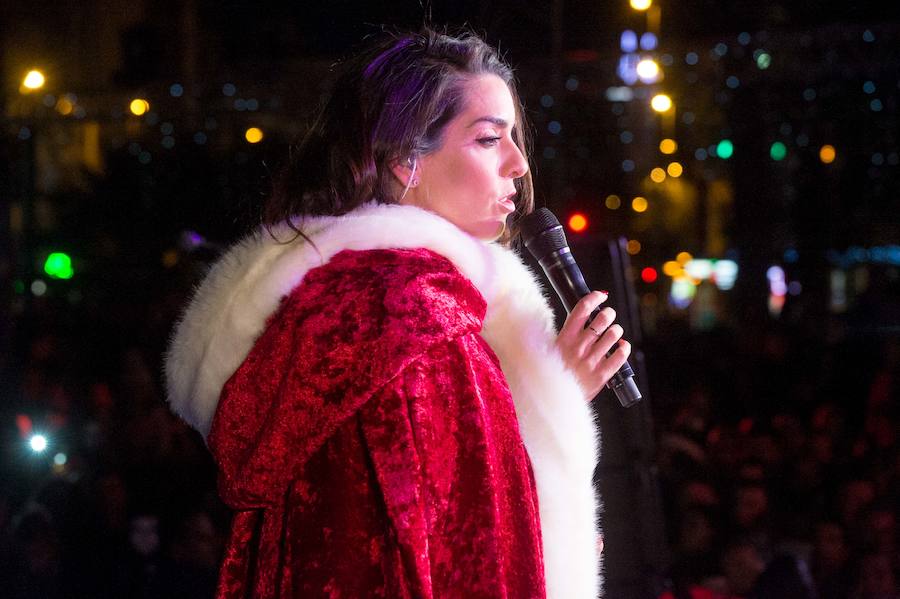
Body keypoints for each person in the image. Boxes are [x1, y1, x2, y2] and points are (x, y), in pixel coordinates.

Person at [165, 27, 631, 598]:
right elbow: (461, 549)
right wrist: (550, 408)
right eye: (488, 139)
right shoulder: (410, 319)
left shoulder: (347, 305)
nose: (518, 163)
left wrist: (547, 393)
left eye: (515, 137)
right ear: (405, 158)